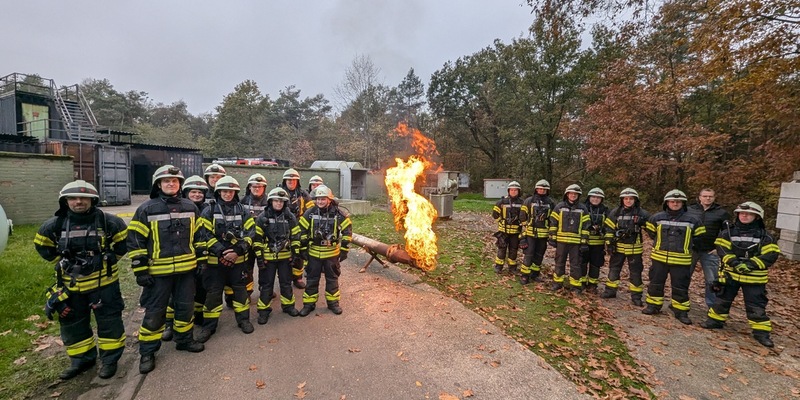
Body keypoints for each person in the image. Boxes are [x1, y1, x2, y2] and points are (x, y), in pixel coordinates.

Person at [34, 180, 128, 380]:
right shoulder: (54, 225)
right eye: (73, 198)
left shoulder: (109, 222)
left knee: (110, 322)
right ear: (65, 201)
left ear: (93, 200)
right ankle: (82, 360)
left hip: (104, 286)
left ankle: (110, 361)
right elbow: (43, 246)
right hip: (71, 287)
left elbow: (123, 244)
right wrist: (64, 262)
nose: (79, 201)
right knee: (73, 325)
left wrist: (107, 261)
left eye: (84, 198)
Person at [127, 165, 205, 374]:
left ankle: (184, 340)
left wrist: (202, 261)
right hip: (158, 274)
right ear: (158, 184)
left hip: (186, 271)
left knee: (185, 308)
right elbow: (135, 240)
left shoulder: (190, 207)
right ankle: (147, 352)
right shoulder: (146, 209)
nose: (171, 184)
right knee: (155, 313)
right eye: (166, 181)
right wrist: (141, 270)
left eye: (175, 181)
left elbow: (199, 237)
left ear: (180, 184)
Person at [700, 202, 781, 348]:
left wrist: (751, 264)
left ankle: (761, 333)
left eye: (749, 214)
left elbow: (771, 254)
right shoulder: (728, 232)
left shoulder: (766, 236)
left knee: (756, 305)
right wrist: (734, 262)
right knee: (722, 300)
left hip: (754, 278)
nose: (744, 216)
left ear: (757, 217)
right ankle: (715, 321)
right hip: (731, 274)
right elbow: (722, 249)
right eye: (742, 213)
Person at [196, 176, 257, 341]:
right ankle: (209, 327)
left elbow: (251, 233)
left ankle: (244, 320)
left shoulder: (243, 210)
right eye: (224, 191)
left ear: (235, 192)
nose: (228, 194)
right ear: (218, 192)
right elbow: (205, 235)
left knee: (240, 293)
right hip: (215, 264)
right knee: (213, 295)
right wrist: (222, 252)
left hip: (238, 262)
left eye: (231, 191)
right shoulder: (209, 211)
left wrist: (237, 250)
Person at [642, 189, 706, 324]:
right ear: (667, 203)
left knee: (680, 287)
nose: (675, 204)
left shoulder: (693, 220)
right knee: (655, 283)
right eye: (672, 201)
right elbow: (651, 232)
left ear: (683, 203)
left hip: (681, 261)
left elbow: (700, 238)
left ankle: (681, 312)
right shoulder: (657, 218)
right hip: (659, 258)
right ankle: (653, 306)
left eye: (678, 201)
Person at [162, 175, 209, 342]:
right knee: (173, 295)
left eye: (200, 192)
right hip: (178, 260)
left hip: (200, 257)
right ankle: (169, 324)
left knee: (201, 290)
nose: (197, 195)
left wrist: (203, 258)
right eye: (193, 192)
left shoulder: (208, 209)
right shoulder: (176, 207)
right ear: (186, 192)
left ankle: (197, 316)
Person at [297, 185, 352, 316]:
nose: (320, 201)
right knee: (312, 280)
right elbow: (301, 230)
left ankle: (333, 303)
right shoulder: (310, 213)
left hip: (331, 254)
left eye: (323, 199)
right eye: (318, 199)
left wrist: (344, 250)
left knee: (332, 279)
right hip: (314, 253)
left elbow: (347, 231)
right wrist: (303, 249)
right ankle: (309, 304)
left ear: (329, 199)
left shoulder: (339, 214)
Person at [254, 187, 302, 322]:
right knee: (266, 285)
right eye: (276, 201)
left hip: (285, 257)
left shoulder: (290, 217)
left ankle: (288, 306)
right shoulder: (262, 217)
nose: (279, 203)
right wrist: (259, 257)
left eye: (281, 201)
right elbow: (257, 239)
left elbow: (296, 236)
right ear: (270, 201)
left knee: (286, 283)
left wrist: (295, 254)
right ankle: (263, 310)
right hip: (268, 258)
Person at [601, 188, 651, 306]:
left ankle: (636, 296)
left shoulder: (642, 213)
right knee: (614, 269)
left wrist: (642, 223)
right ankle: (610, 291)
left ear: (635, 200)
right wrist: (609, 243)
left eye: (631, 199)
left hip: (634, 248)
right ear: (622, 200)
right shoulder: (616, 212)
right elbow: (609, 228)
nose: (628, 201)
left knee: (635, 273)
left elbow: (653, 230)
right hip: (618, 247)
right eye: (626, 199)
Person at [687, 189, 730, 309]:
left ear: (714, 198)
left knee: (712, 280)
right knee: (684, 276)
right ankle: (680, 301)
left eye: (710, 196)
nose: (707, 198)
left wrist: (719, 248)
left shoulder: (721, 213)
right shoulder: (689, 210)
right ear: (699, 197)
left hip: (710, 250)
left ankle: (712, 306)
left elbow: (727, 233)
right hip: (691, 249)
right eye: (705, 196)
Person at [548, 184, 590, 293]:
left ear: (578, 195)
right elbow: (553, 222)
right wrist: (553, 237)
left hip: (576, 243)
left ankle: (575, 286)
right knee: (559, 262)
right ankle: (557, 283)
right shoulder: (559, 207)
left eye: (575, 194)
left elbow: (586, 227)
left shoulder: (583, 209)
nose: (573, 195)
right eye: (571, 193)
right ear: (567, 194)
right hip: (561, 241)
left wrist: (584, 242)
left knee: (575, 264)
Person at [239, 173, 269, 307]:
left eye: (260, 186)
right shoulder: (242, 202)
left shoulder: (269, 201)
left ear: (264, 188)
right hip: (248, 241)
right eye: (254, 186)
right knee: (247, 267)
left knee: (265, 267)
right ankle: (247, 291)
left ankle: (265, 290)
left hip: (264, 241)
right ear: (249, 187)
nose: (257, 189)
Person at [518, 179, 555, 284]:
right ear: (536, 189)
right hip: (531, 233)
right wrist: (524, 233)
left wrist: (551, 234)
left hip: (543, 234)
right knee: (529, 254)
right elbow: (522, 216)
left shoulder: (551, 203)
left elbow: (553, 219)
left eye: (544, 189)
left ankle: (535, 274)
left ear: (547, 190)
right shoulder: (529, 201)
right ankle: (524, 275)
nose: (542, 191)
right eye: (540, 189)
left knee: (539, 255)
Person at [280, 168, 312, 289]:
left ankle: (297, 278)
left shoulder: (303, 194)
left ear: (297, 181)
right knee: (283, 252)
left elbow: (311, 210)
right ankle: (284, 278)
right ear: (284, 181)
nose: (291, 181)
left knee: (298, 253)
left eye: (294, 180)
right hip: (282, 227)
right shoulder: (279, 192)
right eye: (289, 179)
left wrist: (306, 225)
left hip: (299, 227)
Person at [580, 188, 609, 293]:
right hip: (584, 241)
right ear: (589, 197)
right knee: (582, 262)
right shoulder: (583, 208)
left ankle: (592, 285)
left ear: (602, 199)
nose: (595, 199)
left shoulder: (605, 210)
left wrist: (603, 230)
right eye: (593, 197)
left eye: (598, 197)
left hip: (598, 243)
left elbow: (609, 225)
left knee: (595, 264)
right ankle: (582, 283)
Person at [491, 181, 524, 274]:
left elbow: (525, 215)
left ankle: (512, 268)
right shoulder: (502, 202)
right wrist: (501, 221)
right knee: (502, 249)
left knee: (513, 250)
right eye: (511, 190)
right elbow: (495, 214)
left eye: (515, 190)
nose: (513, 192)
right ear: (508, 191)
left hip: (515, 232)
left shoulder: (522, 203)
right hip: (503, 231)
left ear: (519, 191)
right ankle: (498, 266)